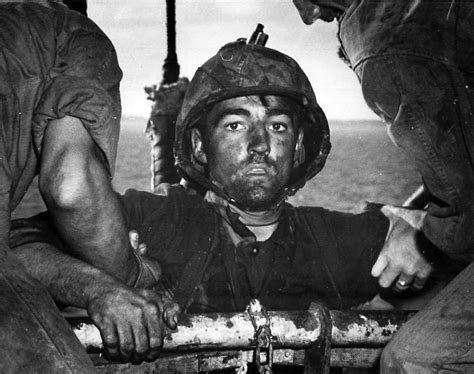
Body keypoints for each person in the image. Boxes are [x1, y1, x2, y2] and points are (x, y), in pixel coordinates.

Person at [9, 35, 435, 369]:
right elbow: (17, 248)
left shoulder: (333, 238)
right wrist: (101, 290)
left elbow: (449, 249)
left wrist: (415, 232)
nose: (259, 145)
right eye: (235, 125)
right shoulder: (159, 218)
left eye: (278, 126)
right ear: (199, 145)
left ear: (300, 146)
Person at [291, 1, 474, 372]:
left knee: (412, 360)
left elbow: (466, 215)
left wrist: (422, 245)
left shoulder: (385, 50)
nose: (310, 16)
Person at [0, 0, 159, 372]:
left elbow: (13, 254)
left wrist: (98, 287)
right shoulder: (68, 31)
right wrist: (131, 278)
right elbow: (71, 188)